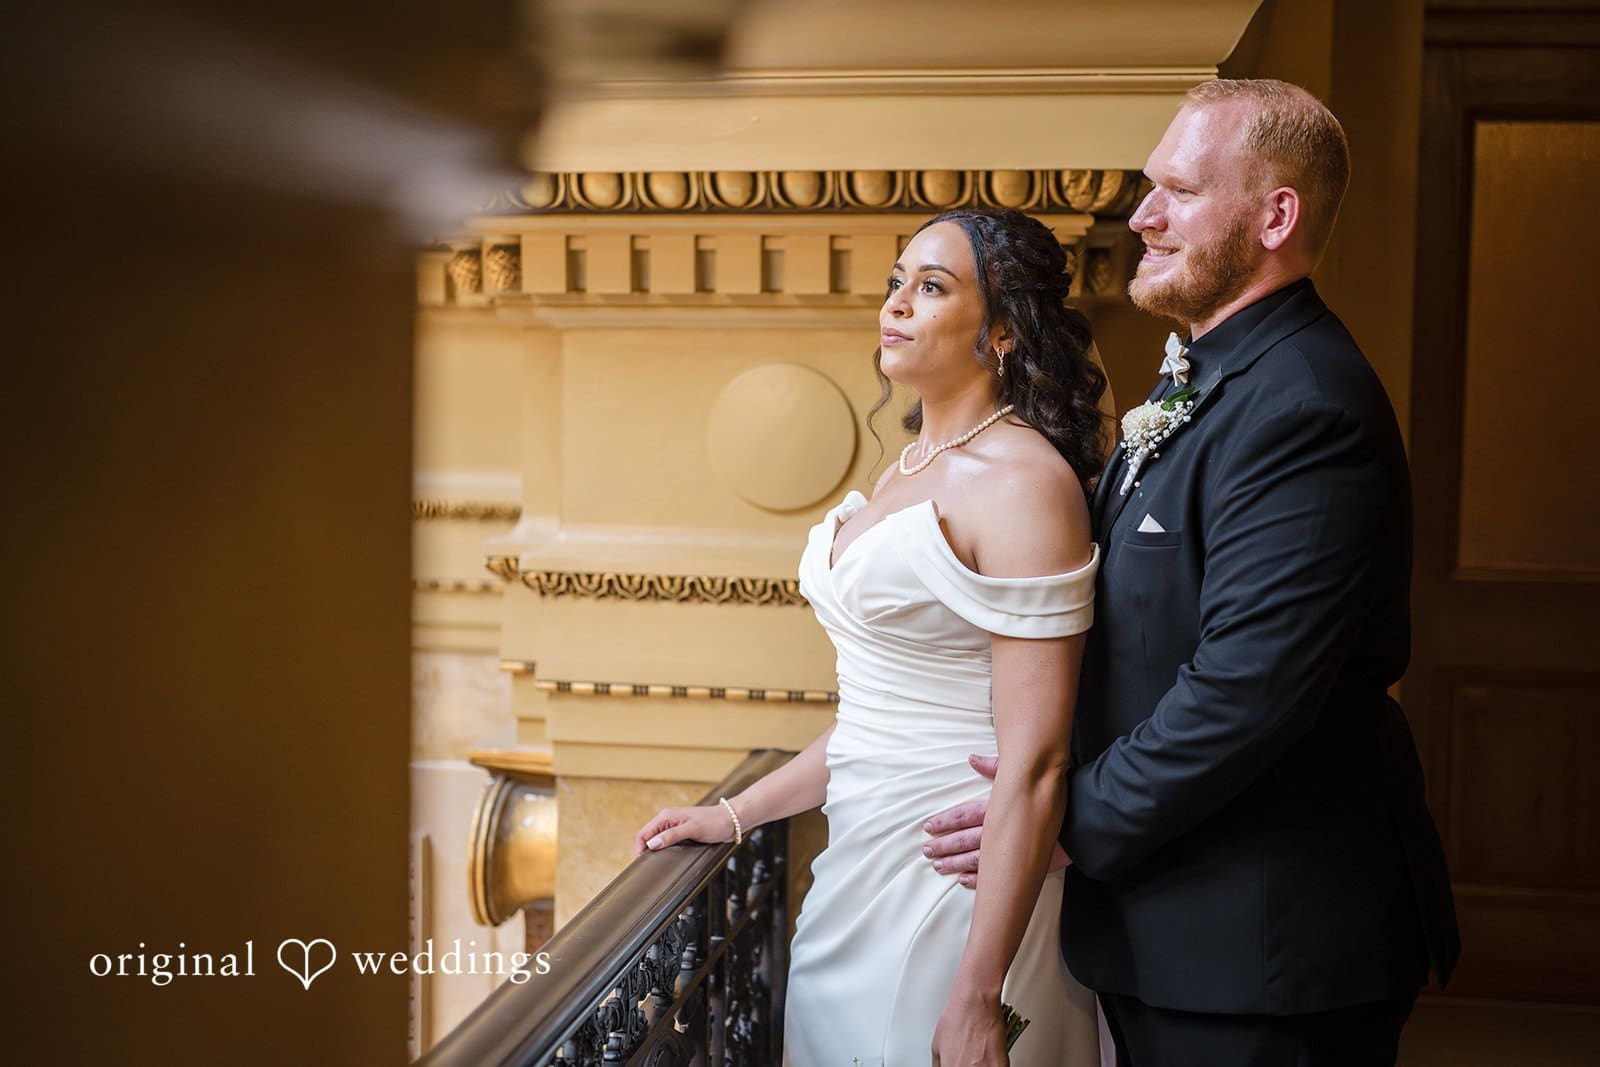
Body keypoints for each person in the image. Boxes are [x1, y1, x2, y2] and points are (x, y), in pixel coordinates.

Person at [922, 79, 1461, 1065]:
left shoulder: (1305, 404)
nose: (1143, 216)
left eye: (1178, 190)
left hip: (1265, 949)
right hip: (1174, 933)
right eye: (1149, 187)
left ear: (1274, 217)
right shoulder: (1210, 375)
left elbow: (1245, 689)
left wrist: (1059, 821)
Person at [635, 208, 1110, 1066]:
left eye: (931, 287)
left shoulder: (1024, 484)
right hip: (854, 870)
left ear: (1003, 329)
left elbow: (1038, 760)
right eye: (897, 283)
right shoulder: (905, 467)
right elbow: (873, 718)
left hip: (954, 878)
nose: (895, 303)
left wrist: (979, 995)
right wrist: (735, 813)